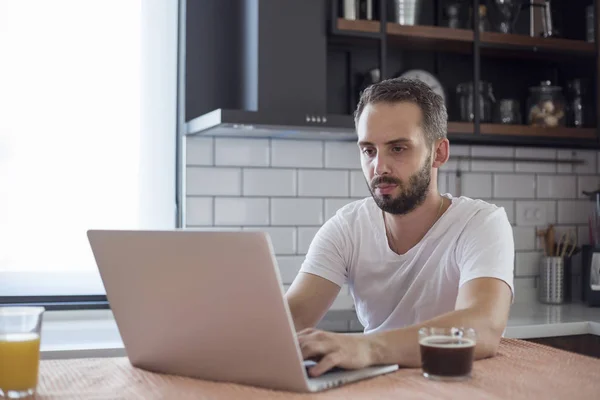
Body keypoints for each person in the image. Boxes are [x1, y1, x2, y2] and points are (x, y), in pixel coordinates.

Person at [285, 78, 514, 377]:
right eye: (369, 150)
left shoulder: (481, 223)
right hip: (379, 387)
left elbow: (481, 327)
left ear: (439, 153)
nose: (379, 167)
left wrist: (367, 347)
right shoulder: (347, 228)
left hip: (454, 384)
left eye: (398, 148)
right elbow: (291, 318)